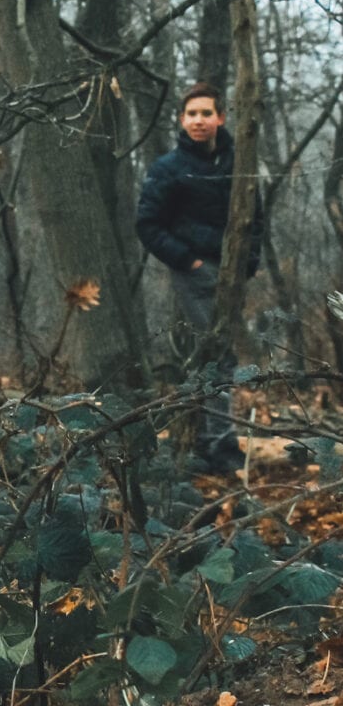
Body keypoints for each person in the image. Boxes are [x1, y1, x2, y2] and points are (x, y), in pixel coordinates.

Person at [135, 81, 261, 474]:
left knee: (223, 355)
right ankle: (216, 445)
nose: (199, 121)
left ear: (220, 118)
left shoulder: (236, 162)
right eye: (191, 114)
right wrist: (188, 263)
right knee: (217, 355)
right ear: (181, 119)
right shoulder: (168, 169)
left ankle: (212, 438)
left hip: (233, 274)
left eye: (206, 113)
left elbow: (254, 218)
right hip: (195, 273)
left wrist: (247, 264)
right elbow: (148, 224)